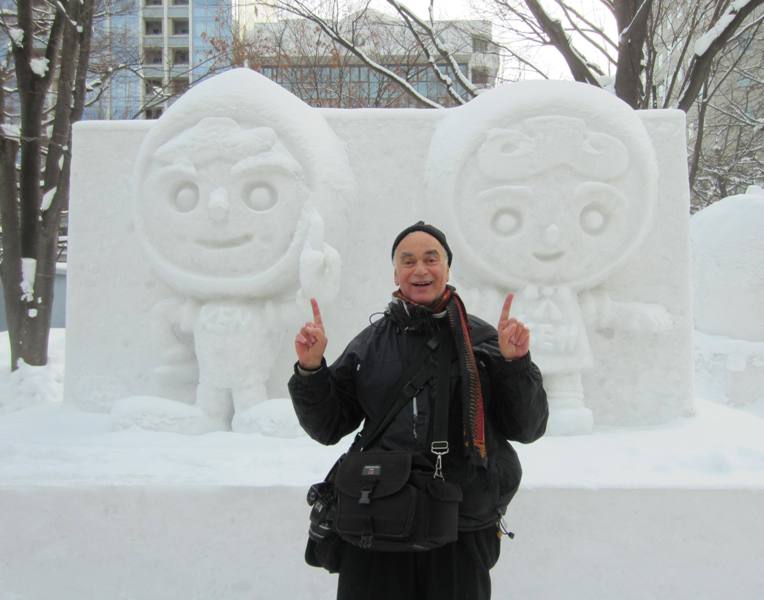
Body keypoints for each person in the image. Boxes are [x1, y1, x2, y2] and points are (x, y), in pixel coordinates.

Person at [289, 221, 548, 600]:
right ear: (395, 273)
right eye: (407, 261)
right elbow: (329, 426)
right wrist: (311, 370)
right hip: (378, 516)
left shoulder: (484, 341)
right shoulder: (370, 343)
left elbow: (527, 426)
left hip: (460, 520)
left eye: (431, 258)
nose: (420, 269)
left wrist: (515, 364)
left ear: (447, 267)